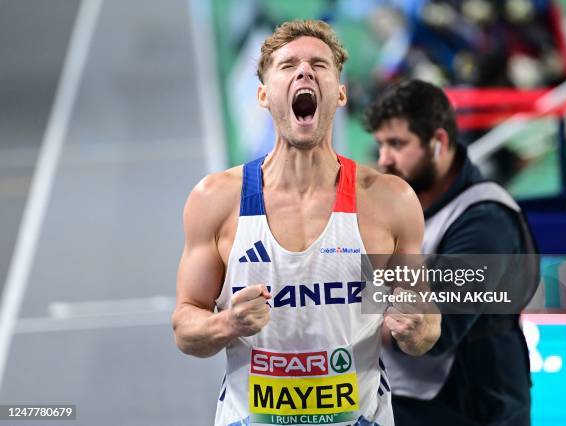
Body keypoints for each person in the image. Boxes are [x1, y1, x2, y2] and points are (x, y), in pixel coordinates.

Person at [172, 21, 441, 426]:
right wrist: (227, 322)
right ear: (263, 95)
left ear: (341, 93)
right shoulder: (215, 200)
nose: (304, 72)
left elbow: (426, 326)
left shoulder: (390, 201)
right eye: (288, 66)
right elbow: (185, 326)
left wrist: (415, 328)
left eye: (319, 64)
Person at [364, 79, 538, 426]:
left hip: (474, 407)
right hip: (410, 399)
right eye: (381, 144)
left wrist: (351, 313)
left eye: (397, 144)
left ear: (439, 142)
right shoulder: (400, 208)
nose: (384, 159)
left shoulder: (485, 218)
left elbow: (435, 326)